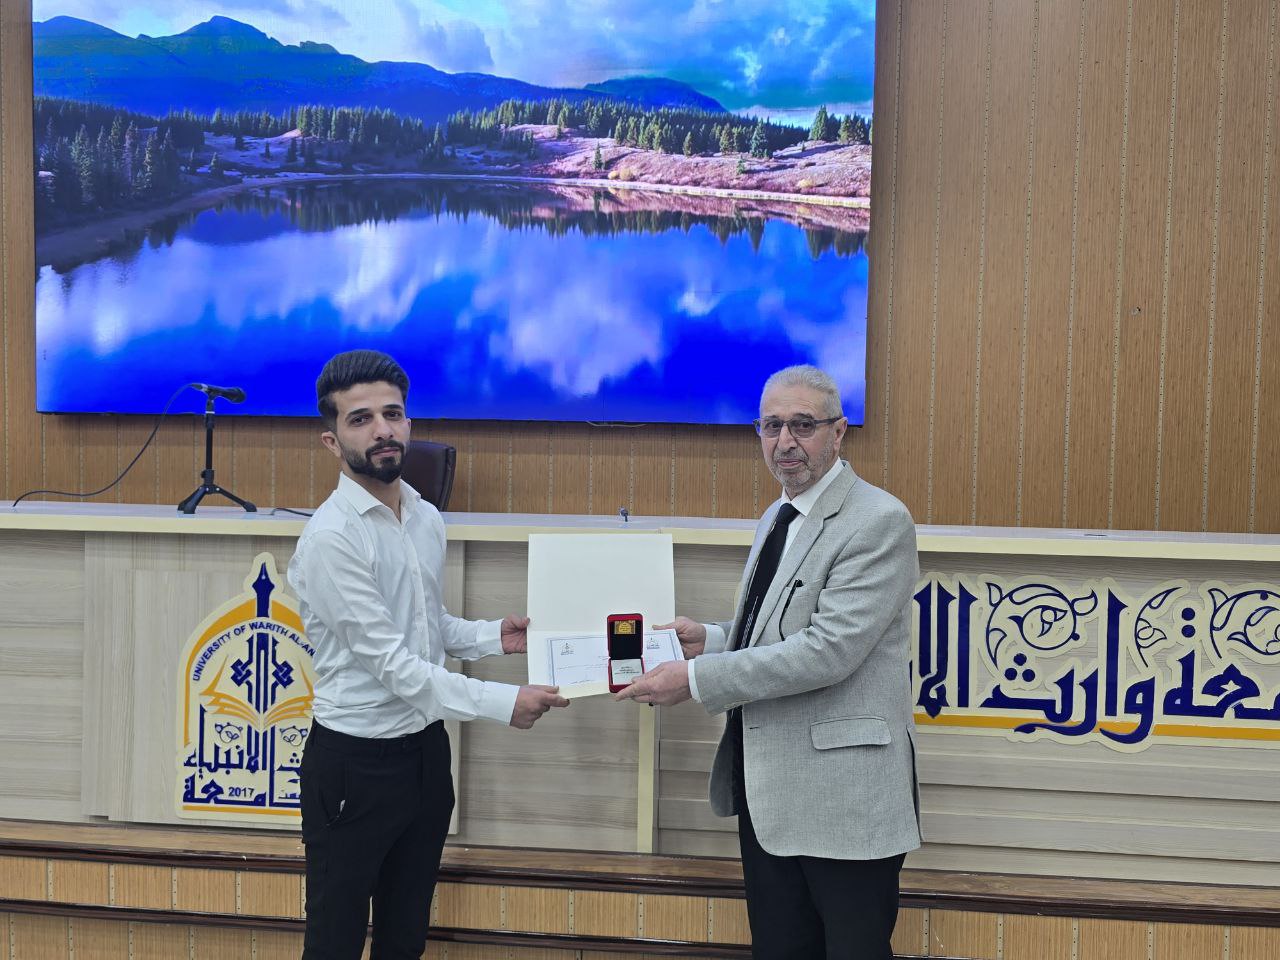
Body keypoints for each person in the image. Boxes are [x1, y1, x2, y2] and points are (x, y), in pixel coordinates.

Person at [615, 365, 921, 960]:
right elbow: (776, 631)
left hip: (844, 802)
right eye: (771, 426)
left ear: (839, 432)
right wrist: (711, 640)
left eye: (803, 425)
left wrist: (696, 679)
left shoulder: (878, 520)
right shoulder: (778, 515)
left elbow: (828, 651)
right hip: (771, 797)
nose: (785, 442)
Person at [288, 350, 569, 960]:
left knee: (406, 935)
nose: (382, 430)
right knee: (334, 942)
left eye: (392, 414)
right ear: (332, 441)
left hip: (424, 758)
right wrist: (504, 703)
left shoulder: (424, 516)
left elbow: (426, 625)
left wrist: (496, 638)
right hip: (353, 767)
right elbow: (394, 666)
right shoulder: (332, 539)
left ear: (409, 424)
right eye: (360, 419)